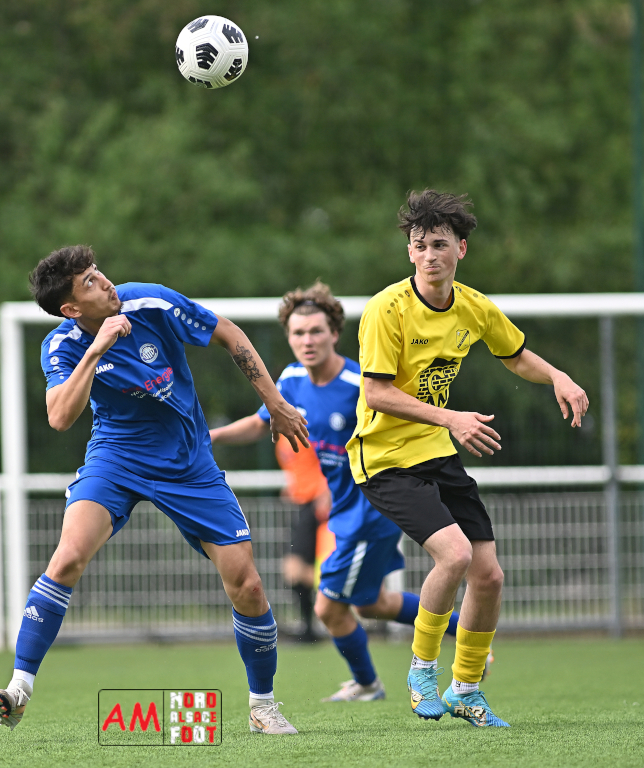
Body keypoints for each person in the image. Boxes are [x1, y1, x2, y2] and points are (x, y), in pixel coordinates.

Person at [0, 245, 309, 735]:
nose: (105, 282)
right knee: (67, 558)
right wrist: (97, 349)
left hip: (187, 462)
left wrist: (276, 404)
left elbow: (228, 333)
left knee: (248, 585)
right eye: (89, 283)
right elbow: (59, 416)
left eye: (98, 272)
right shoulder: (62, 345)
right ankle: (18, 691)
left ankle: (262, 706)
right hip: (117, 458)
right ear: (71, 309)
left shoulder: (151, 302)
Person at [347, 190, 589, 727]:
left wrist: (558, 376)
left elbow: (516, 355)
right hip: (385, 458)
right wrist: (452, 418)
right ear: (409, 253)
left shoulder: (473, 306)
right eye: (419, 245)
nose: (429, 254)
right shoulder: (386, 308)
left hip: (436, 452)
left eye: (439, 244)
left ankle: (466, 689)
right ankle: (421, 671)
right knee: (453, 556)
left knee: (489, 576)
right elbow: (376, 394)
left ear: (461, 249)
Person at [210, 282, 463, 704]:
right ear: (289, 337)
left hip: (371, 508)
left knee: (328, 607)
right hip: (345, 509)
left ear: (335, 334)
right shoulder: (291, 380)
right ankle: (467, 632)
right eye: (298, 333)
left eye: (316, 331)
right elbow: (261, 422)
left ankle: (368, 684)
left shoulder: (358, 383)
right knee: (372, 603)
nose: (307, 340)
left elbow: (408, 426)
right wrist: (211, 437)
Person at [273, 436, 331, 644]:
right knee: (296, 571)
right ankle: (308, 629)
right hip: (303, 504)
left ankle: (312, 627)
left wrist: (326, 491)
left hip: (317, 504)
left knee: (295, 570)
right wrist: (294, 487)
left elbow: (332, 456)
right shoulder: (280, 436)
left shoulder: (307, 429)